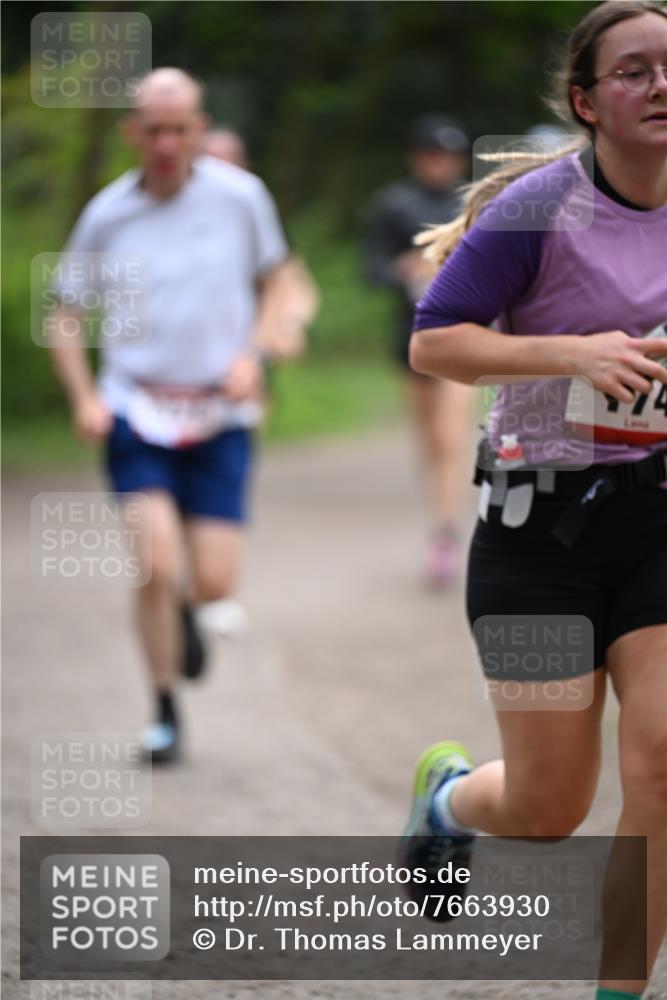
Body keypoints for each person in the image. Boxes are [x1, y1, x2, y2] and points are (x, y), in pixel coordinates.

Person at [399, 3, 667, 999]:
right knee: (550, 802)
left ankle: (615, 992)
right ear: (587, 103)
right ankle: (448, 799)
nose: (659, 87)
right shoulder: (536, 210)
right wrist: (570, 352)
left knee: (663, 759)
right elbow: (433, 342)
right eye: (634, 71)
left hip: (656, 517)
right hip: (532, 532)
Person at [49, 68, 293, 764]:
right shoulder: (108, 214)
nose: (164, 142)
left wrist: (254, 352)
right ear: (132, 132)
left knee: (212, 581)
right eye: (151, 128)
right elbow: (64, 313)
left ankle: (187, 612)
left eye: (178, 127)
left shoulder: (240, 198)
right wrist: (85, 399)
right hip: (136, 407)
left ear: (197, 127)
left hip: (219, 414)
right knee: (154, 563)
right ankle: (162, 709)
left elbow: (277, 280)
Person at [364, 114, 474, 586]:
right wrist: (404, 269)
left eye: (447, 155)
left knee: (451, 437)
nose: (438, 163)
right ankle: (439, 516)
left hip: (464, 336)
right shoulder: (393, 204)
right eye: (431, 154)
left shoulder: (476, 201)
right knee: (430, 441)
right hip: (410, 339)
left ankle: (445, 532)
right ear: (416, 156)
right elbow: (369, 268)